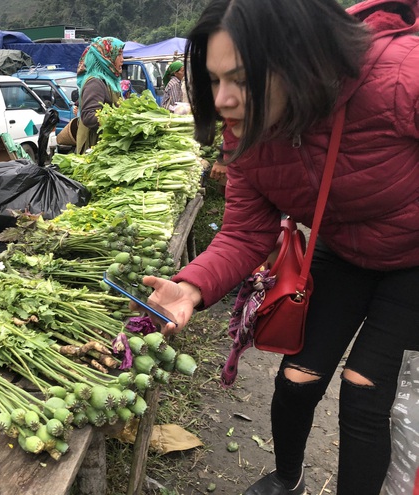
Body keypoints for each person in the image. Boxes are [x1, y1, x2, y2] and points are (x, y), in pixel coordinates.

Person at [140, 0, 419, 494]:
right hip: (343, 252)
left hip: (414, 262)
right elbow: (246, 233)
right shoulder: (247, 136)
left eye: (242, 79)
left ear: (300, 59)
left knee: (364, 392)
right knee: (296, 380)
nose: (223, 99)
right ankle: (287, 478)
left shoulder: (400, 77)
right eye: (214, 80)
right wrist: (190, 288)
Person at [75, 36, 125, 154]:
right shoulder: (95, 82)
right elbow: (88, 116)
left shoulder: (110, 81)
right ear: (106, 57)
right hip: (94, 147)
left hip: (105, 145)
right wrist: (117, 118)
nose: (122, 59)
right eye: (119, 55)